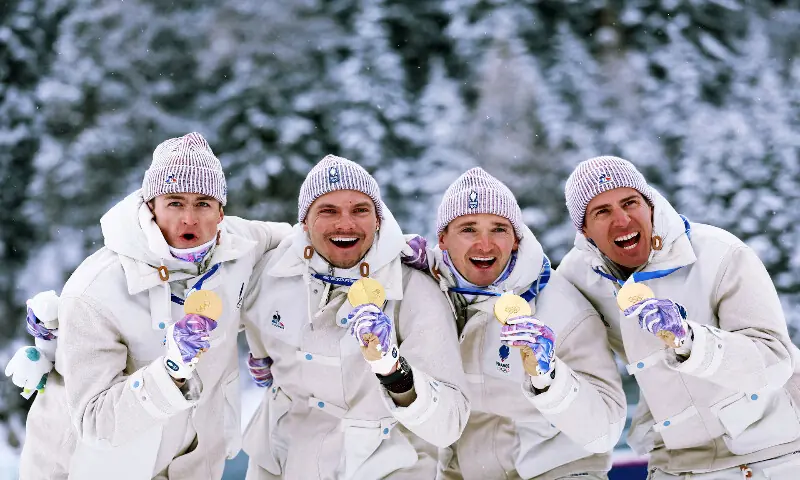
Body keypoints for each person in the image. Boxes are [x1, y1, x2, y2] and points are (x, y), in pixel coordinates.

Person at [15, 132, 290, 480]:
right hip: (83, 469)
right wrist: (171, 370)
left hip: (193, 465)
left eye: (203, 203)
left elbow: (308, 243)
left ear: (221, 213)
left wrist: (278, 345)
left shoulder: (239, 246)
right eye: (174, 202)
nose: (189, 218)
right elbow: (95, 422)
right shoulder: (95, 291)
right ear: (150, 206)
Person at [558, 155, 800, 479]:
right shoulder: (576, 277)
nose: (622, 220)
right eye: (602, 212)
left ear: (650, 205)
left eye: (630, 203)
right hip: (677, 462)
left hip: (773, 449)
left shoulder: (721, 254)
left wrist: (691, 342)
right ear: (584, 230)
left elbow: (774, 360)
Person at [242, 154, 470, 479]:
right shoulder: (271, 272)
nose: (345, 224)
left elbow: (448, 425)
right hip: (281, 461)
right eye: (328, 211)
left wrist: (395, 375)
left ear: (379, 219)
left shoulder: (412, 289)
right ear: (304, 223)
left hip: (385, 469)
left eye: (360, 210)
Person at [404, 167, 625, 479]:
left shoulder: (562, 308)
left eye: (499, 229)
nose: (485, 244)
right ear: (442, 239)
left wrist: (549, 379)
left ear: (517, 240)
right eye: (468, 229)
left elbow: (605, 431)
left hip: (560, 471)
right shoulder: (427, 293)